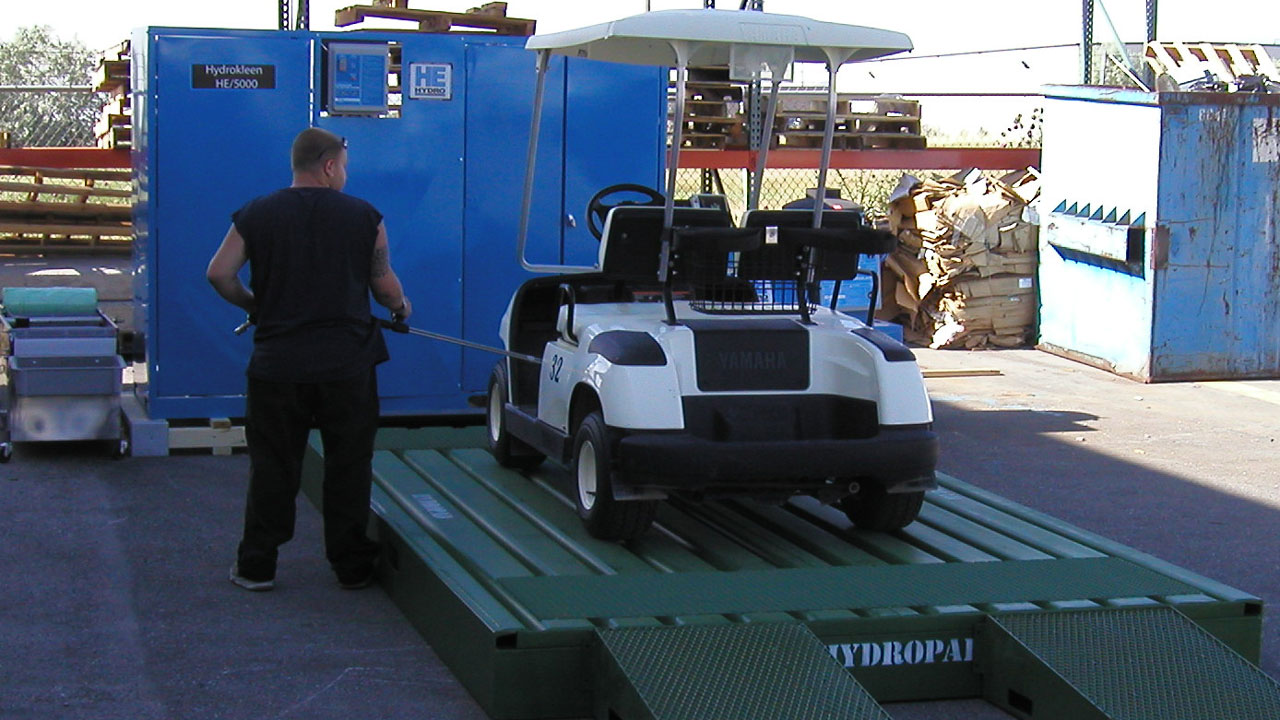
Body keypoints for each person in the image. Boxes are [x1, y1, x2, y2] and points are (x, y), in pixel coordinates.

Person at [206, 127, 412, 592]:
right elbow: (384, 287)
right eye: (344, 164)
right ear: (329, 165)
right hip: (347, 365)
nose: (345, 173)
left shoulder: (256, 213)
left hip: (278, 365)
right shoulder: (364, 216)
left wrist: (255, 305)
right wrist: (401, 308)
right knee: (348, 464)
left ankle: (257, 564)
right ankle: (351, 565)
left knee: (274, 464)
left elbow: (219, 274)